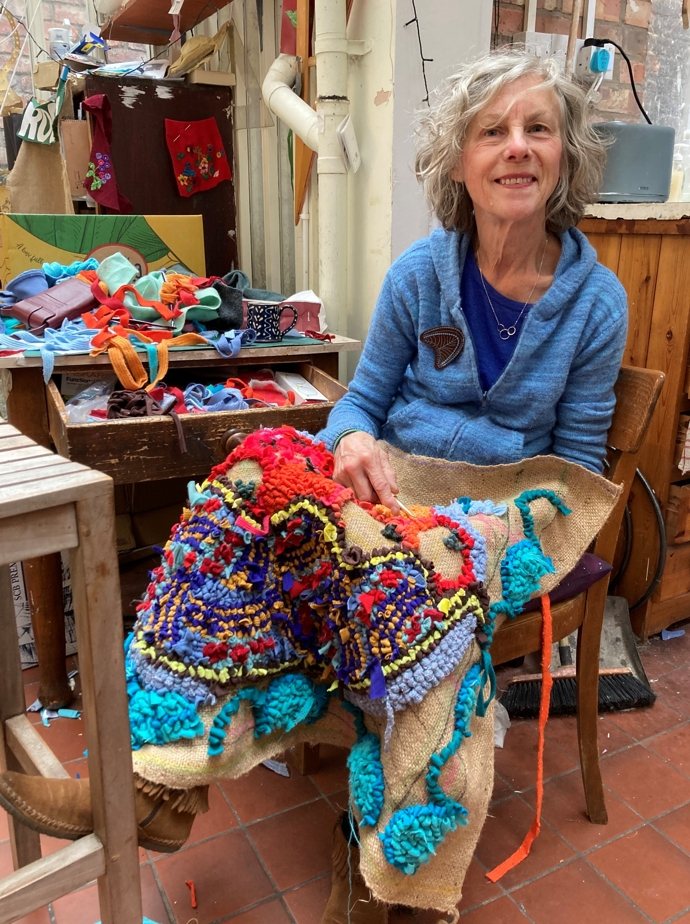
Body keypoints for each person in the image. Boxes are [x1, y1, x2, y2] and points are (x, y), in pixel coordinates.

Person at [0, 50, 627, 924]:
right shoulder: (420, 273)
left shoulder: (596, 302)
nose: (517, 148)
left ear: (565, 156)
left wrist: (485, 530)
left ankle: (380, 873)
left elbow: (572, 470)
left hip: (497, 522)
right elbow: (358, 404)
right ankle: (155, 784)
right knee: (248, 482)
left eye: (538, 130)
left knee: (416, 599)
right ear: (461, 160)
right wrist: (355, 440)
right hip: (388, 493)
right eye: (493, 130)